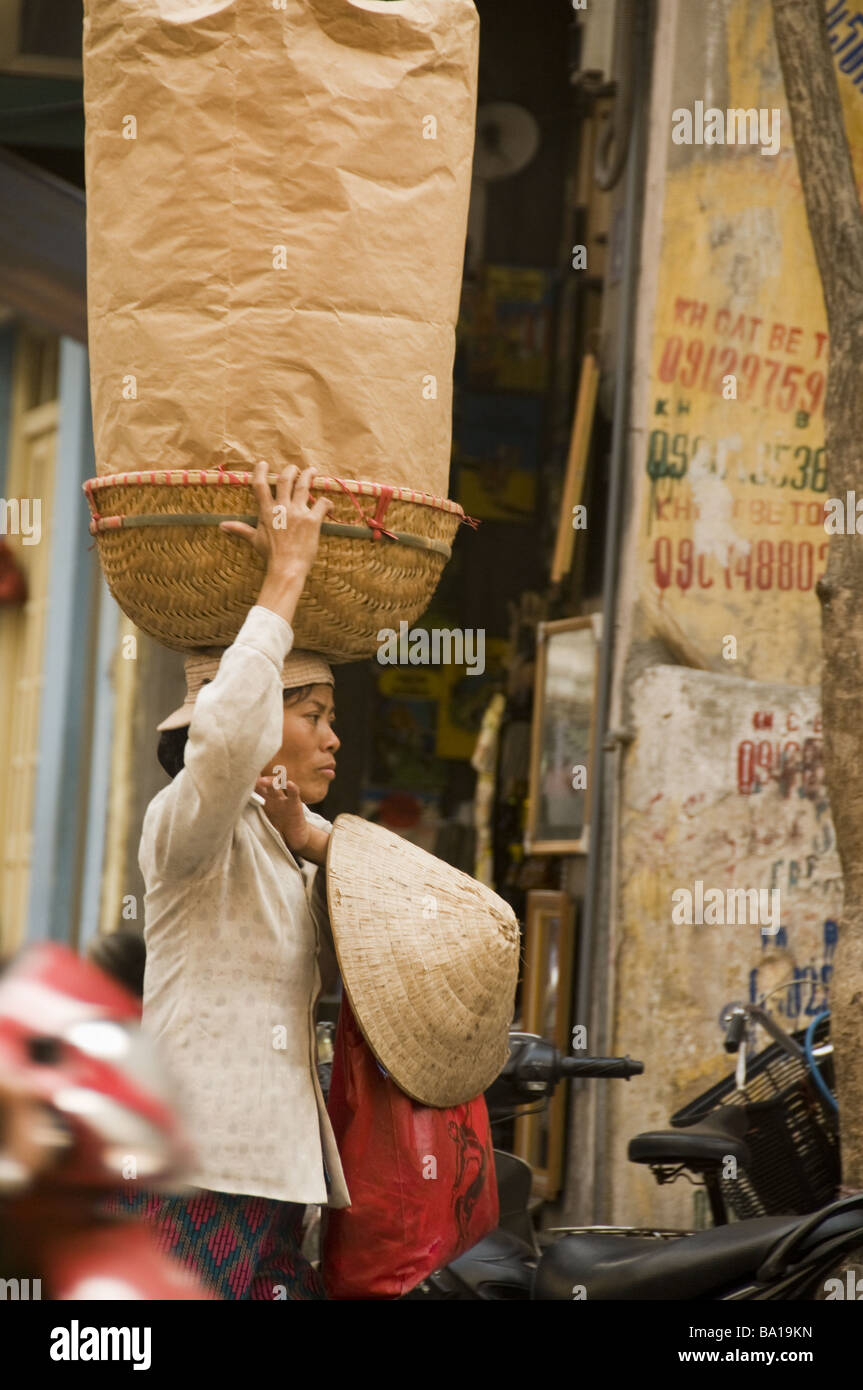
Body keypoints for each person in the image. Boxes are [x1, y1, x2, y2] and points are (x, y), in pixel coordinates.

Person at [106, 462, 347, 1300]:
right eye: (312, 716)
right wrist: (285, 578)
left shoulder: (286, 850)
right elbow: (222, 744)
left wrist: (312, 838)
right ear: (255, 721)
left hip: (276, 1175)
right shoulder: (188, 825)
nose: (332, 741)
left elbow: (400, 911)